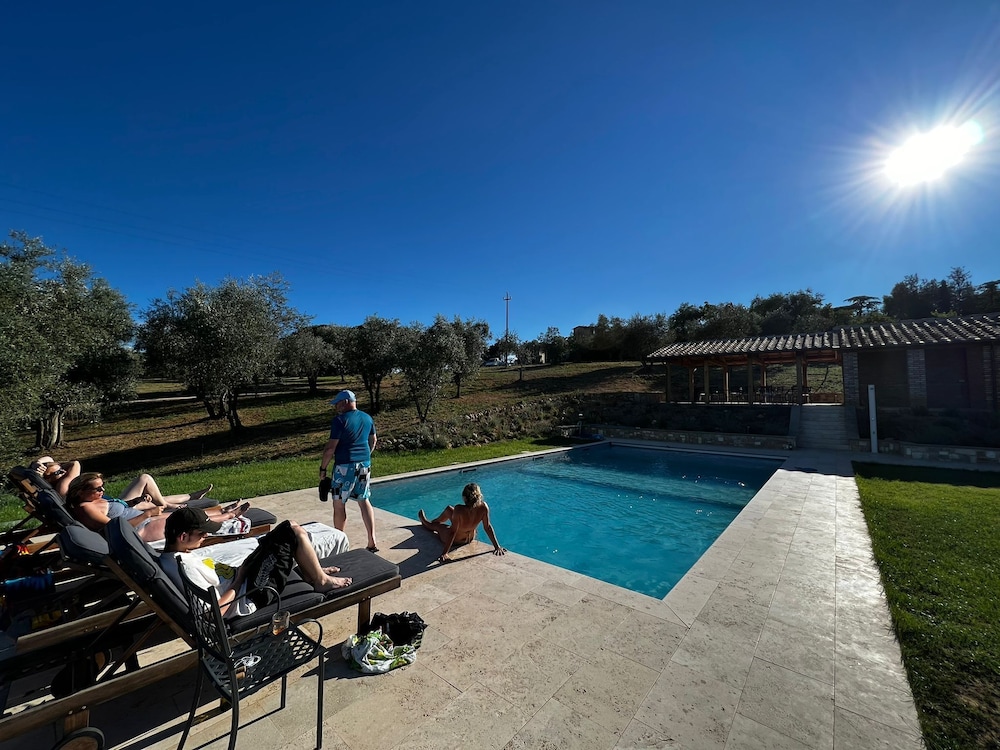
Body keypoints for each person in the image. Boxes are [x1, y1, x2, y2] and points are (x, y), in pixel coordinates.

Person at [159, 507, 351, 617]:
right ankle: (320, 580)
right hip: (251, 594)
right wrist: (239, 579)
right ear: (183, 536)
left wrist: (242, 572)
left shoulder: (174, 555)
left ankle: (314, 573)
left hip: (244, 579)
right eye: (201, 533)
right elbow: (214, 613)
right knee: (293, 532)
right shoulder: (185, 568)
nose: (206, 536)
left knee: (290, 526)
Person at [67, 473, 246, 543]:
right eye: (98, 489)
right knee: (184, 521)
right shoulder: (86, 509)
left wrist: (136, 502)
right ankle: (229, 516)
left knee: (185, 514)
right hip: (140, 530)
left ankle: (222, 512)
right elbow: (116, 529)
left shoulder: (91, 501)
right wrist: (147, 514)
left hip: (141, 518)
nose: (103, 491)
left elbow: (118, 512)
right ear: (81, 492)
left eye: (102, 486)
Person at [319, 390, 379, 552]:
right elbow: (373, 440)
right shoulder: (367, 418)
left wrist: (323, 468)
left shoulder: (339, 420)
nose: (336, 407)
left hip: (344, 467)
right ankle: (372, 541)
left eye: (337, 404)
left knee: (339, 504)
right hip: (364, 465)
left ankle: (339, 546)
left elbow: (330, 449)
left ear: (346, 402)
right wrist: (366, 455)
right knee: (364, 500)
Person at [418, 483, 506, 563]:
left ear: (464, 498)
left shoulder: (459, 509)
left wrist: (445, 553)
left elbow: (453, 532)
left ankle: (427, 523)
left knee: (438, 526)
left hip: (456, 540)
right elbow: (488, 527)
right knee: (449, 509)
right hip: (470, 538)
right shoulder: (484, 507)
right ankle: (435, 521)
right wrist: (497, 547)